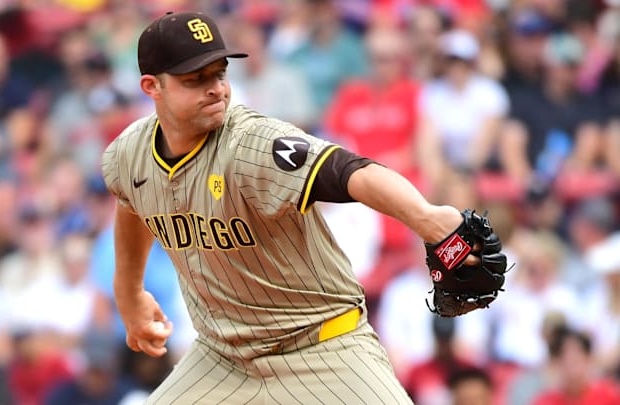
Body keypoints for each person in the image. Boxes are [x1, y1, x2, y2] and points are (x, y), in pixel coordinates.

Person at [101, 11, 489, 404]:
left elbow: (349, 171)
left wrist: (427, 217)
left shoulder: (253, 143)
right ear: (152, 87)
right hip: (223, 357)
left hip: (323, 346)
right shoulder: (129, 155)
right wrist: (128, 291)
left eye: (219, 73)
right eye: (195, 79)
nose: (216, 88)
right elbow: (134, 203)